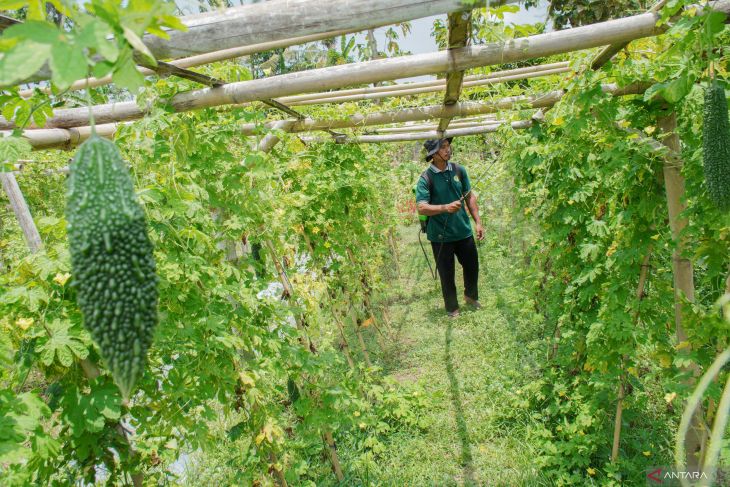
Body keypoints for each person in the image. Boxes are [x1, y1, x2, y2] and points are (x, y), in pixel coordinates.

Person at [415, 137, 484, 318]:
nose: (448, 150)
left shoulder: (459, 170)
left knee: (472, 266)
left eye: (448, 146)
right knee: (447, 274)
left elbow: (469, 197)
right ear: (433, 155)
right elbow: (422, 207)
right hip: (440, 236)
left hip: (463, 231)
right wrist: (445, 207)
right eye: (443, 147)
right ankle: (452, 308)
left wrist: (478, 221)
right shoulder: (426, 178)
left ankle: (471, 296)